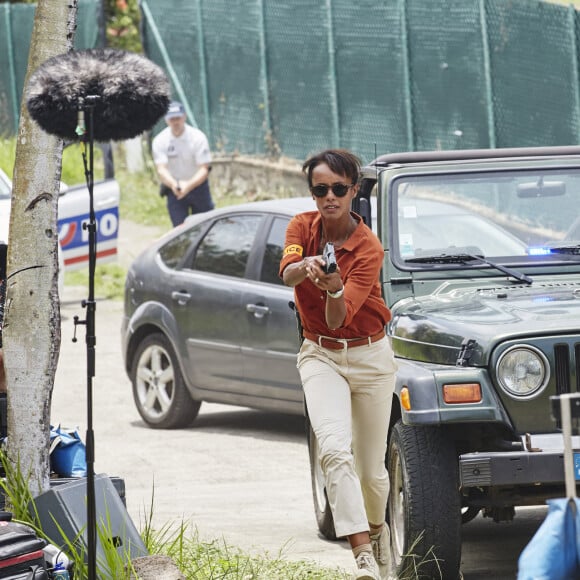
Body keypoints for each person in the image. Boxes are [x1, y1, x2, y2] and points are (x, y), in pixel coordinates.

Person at [279, 149, 397, 580]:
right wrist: (306, 265)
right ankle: (362, 554)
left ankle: (378, 531)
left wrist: (332, 289)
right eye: (320, 189)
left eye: (339, 189)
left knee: (371, 472)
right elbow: (287, 272)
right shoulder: (300, 227)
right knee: (332, 448)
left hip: (370, 356)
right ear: (312, 192)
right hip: (319, 354)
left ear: (355, 190)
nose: (329, 197)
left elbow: (340, 315)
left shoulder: (367, 248)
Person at [152, 101, 214, 227]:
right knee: (179, 230)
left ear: (184, 117)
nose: (175, 122)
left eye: (178, 118)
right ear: (166, 119)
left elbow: (204, 169)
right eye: (172, 119)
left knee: (205, 226)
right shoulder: (160, 140)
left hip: (198, 186)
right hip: (175, 189)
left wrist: (188, 186)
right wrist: (175, 185)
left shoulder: (197, 138)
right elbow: (161, 169)